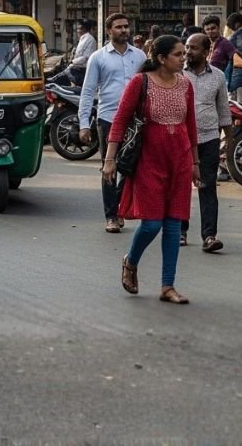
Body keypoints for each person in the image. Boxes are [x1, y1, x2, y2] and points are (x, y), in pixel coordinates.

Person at [102, 36, 200, 305]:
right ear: (161, 58)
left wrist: (195, 163)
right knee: (152, 224)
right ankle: (131, 260)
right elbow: (120, 120)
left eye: (184, 54)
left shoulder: (186, 85)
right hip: (149, 161)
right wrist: (109, 160)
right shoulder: (140, 82)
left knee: (173, 225)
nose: (184, 58)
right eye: (178, 54)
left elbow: (191, 126)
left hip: (179, 161)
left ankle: (168, 286)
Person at [79, 13, 147, 233]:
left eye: (126, 26)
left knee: (131, 167)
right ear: (109, 31)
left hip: (134, 122)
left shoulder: (139, 56)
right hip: (108, 118)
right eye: (118, 27)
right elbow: (88, 91)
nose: (124, 30)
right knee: (109, 167)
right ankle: (111, 215)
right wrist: (83, 123)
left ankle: (120, 206)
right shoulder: (98, 57)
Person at [180, 34, 232, 253]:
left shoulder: (218, 76)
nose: (188, 52)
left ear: (206, 52)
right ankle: (180, 230)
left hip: (209, 138)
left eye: (193, 48)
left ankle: (209, 235)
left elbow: (223, 109)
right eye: (187, 47)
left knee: (207, 186)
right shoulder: (178, 74)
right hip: (181, 139)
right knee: (181, 186)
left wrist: (228, 137)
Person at [55, 19, 97, 85]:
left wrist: (73, 62)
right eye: (77, 29)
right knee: (64, 74)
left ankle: (54, 79)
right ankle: (54, 79)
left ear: (85, 29)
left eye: (79, 29)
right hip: (78, 66)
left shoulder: (90, 39)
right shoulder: (82, 39)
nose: (77, 31)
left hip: (83, 69)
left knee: (66, 73)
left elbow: (85, 57)